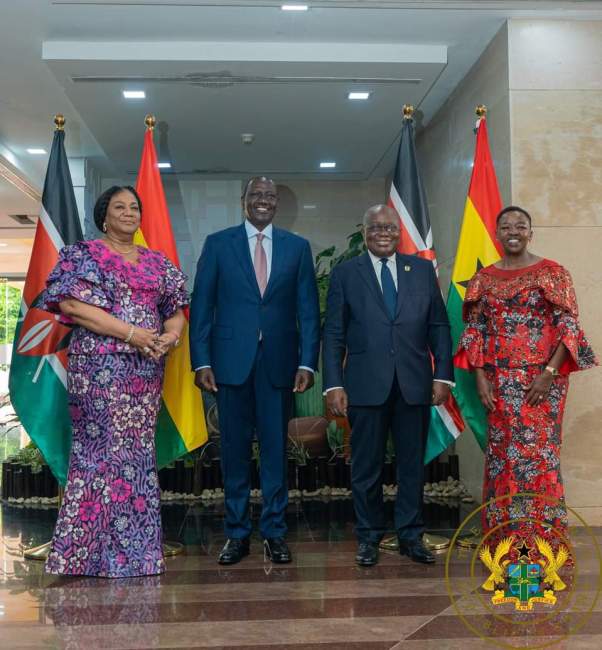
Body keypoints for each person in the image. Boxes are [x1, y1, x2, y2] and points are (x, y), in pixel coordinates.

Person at [40, 185, 188, 578]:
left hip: (145, 372)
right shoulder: (84, 254)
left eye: (134, 207)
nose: (129, 212)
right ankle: (82, 557)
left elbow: (176, 312)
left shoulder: (158, 263)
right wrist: (131, 334)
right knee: (98, 455)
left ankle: (136, 557)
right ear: (103, 216)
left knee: (136, 458)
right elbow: (72, 306)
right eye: (119, 207)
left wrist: (168, 338)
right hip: (98, 371)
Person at [190, 176, 320, 565]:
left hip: (279, 364)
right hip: (229, 364)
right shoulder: (218, 244)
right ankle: (237, 534)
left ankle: (275, 533)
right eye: (256, 195)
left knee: (276, 450)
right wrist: (202, 360)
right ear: (243, 200)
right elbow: (202, 306)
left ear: (277, 203)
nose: (263, 201)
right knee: (233, 451)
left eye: (270, 196)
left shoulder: (297, 248)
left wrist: (306, 361)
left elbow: (308, 310)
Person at [455, 205, 597, 557]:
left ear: (530, 232)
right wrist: (481, 378)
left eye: (521, 225)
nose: (513, 231)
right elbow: (475, 331)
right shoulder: (483, 279)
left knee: (538, 458)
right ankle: (503, 544)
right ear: (498, 233)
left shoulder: (553, 273)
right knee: (503, 458)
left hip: (541, 384)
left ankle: (543, 545)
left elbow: (568, 328)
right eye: (506, 226)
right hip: (498, 383)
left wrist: (548, 374)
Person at [323, 204, 454, 567]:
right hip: (365, 386)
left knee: (412, 464)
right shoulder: (347, 273)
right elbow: (334, 332)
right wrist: (333, 384)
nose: (384, 233)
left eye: (390, 227)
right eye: (376, 227)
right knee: (367, 466)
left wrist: (442, 375)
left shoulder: (422, 270)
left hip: (415, 384)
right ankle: (368, 537)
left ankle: (411, 534)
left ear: (399, 232)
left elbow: (439, 327)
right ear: (364, 232)